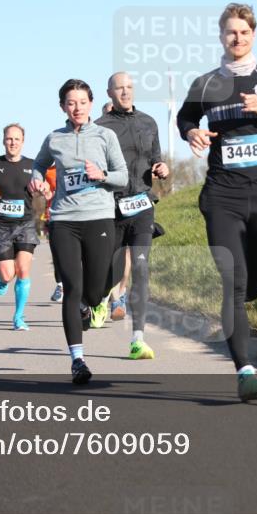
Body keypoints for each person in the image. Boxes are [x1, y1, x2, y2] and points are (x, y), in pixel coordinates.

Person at [176, 3, 257, 401]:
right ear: (221, 36)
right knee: (233, 282)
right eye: (231, 33)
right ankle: (244, 371)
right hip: (221, 195)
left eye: (244, 33)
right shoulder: (206, 84)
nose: (237, 39)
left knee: (253, 283)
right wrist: (192, 133)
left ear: (253, 35)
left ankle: (245, 304)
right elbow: (184, 119)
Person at [29, 78, 128, 384]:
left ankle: (90, 304)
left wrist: (103, 175)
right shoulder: (54, 138)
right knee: (72, 288)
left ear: (90, 104)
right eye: (71, 103)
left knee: (96, 289)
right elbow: (38, 165)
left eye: (82, 102)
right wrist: (37, 181)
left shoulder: (105, 135)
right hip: (63, 220)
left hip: (98, 217)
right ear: (63, 106)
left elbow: (122, 177)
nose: (77, 108)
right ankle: (77, 360)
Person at [96, 72, 169, 360]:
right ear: (109, 92)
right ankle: (99, 299)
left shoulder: (148, 122)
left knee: (140, 268)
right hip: (111, 208)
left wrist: (161, 168)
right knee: (109, 271)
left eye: (129, 87)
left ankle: (138, 339)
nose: (125, 92)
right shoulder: (100, 127)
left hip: (141, 204)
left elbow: (156, 158)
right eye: (119, 88)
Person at [0, 124, 38, 331]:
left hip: (26, 223)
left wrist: (43, 188)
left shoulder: (32, 164)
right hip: (2, 226)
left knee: (23, 270)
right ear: (3, 141)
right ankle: (1, 281)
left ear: (23, 141)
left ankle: (18, 317)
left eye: (17, 139)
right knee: (7, 274)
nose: (13, 143)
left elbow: (44, 186)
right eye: (9, 139)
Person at [44, 165, 64, 303]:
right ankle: (60, 285)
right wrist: (46, 192)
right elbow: (47, 192)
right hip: (55, 216)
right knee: (57, 254)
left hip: (78, 214)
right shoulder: (48, 170)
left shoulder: (79, 162)